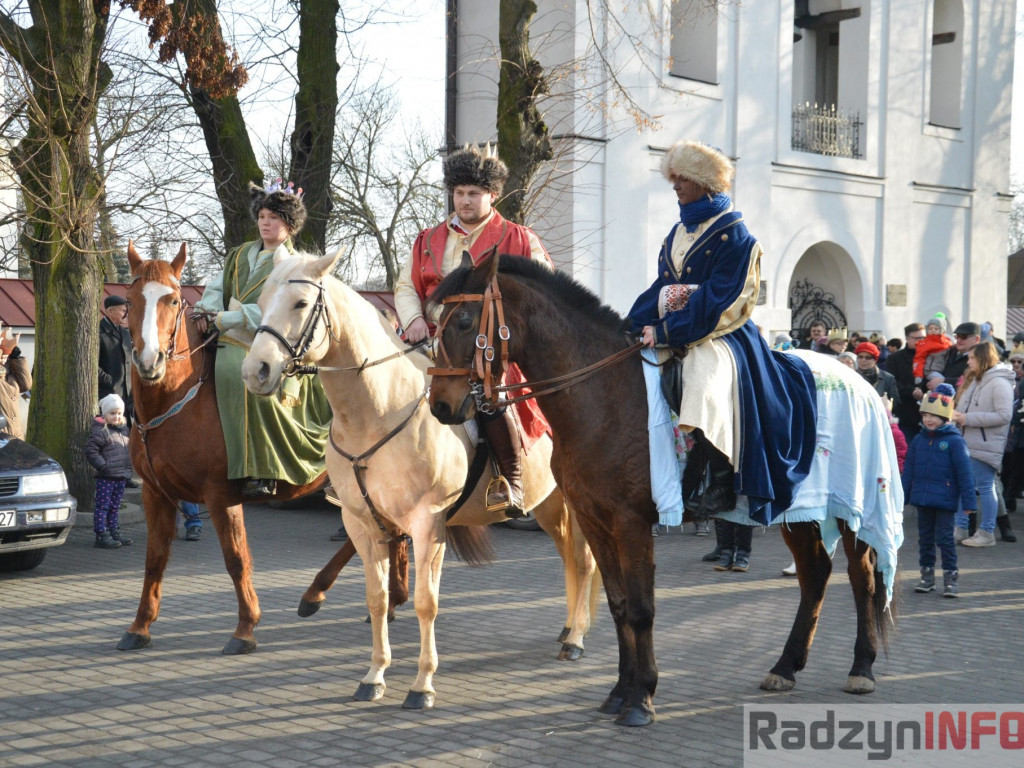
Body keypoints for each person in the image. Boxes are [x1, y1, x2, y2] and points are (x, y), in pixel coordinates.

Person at [626, 139, 817, 524]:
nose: (676, 186)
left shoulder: (736, 235)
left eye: (683, 179)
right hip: (678, 327)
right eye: (674, 179)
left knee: (702, 375)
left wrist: (666, 331)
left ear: (704, 182)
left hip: (722, 331)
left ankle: (721, 478)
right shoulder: (676, 233)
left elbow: (722, 297)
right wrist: (633, 324)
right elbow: (662, 286)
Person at [394, 145, 553, 518]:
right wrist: (414, 319)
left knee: (488, 392)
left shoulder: (519, 238)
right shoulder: (426, 240)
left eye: (474, 193)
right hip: (430, 340)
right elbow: (406, 286)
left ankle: (512, 482)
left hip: (489, 345)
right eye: (459, 192)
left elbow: (545, 288)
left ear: (492, 195)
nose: (464, 200)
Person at [194, 179, 332, 497]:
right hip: (224, 335)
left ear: (289, 224)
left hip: (271, 345)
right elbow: (217, 287)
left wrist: (230, 317)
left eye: (274, 217)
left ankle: (261, 469)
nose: (265, 223)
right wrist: (205, 310)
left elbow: (276, 313)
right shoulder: (239, 254)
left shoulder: (296, 264)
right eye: (261, 216)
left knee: (241, 375)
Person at [902, 384, 975, 597]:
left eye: (934, 415)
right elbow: (909, 470)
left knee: (945, 540)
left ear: (945, 417)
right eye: (925, 415)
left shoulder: (955, 441)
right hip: (923, 499)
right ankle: (927, 577)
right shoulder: (919, 440)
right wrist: (902, 497)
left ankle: (951, 579)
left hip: (945, 500)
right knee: (924, 539)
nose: (928, 420)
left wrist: (969, 503)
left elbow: (965, 473)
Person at [951, 342, 1014, 547]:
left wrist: (967, 418)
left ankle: (987, 532)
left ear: (982, 358)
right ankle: (961, 528)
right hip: (969, 442)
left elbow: (1004, 415)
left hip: (984, 444)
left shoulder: (998, 382)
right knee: (964, 486)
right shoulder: (979, 379)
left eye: (972, 358)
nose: (968, 362)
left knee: (986, 487)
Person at [85, 394, 134, 549]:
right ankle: (101, 533)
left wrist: (129, 468)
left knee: (115, 506)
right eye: (112, 413)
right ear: (105, 414)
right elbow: (91, 451)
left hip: (121, 475)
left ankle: (113, 530)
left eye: (119, 413)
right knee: (103, 506)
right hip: (106, 476)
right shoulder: (101, 431)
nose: (116, 417)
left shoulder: (124, 431)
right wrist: (103, 466)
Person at [886, 323, 926, 442]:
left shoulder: (931, 357)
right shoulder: (894, 358)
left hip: (927, 413)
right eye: (917, 338)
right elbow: (892, 382)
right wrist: (911, 390)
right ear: (907, 338)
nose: (921, 341)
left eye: (923, 338)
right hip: (905, 412)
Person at [98, 294, 133, 423]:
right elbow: (91, 366)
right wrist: (110, 381)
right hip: (107, 397)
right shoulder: (98, 333)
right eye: (123, 310)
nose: (126, 314)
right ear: (110, 311)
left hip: (127, 398)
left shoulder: (126, 333)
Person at [1001, 343, 1024, 519]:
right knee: (1013, 467)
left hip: (1018, 430)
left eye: (1019, 362)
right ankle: (1008, 500)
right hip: (1017, 432)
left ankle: (1010, 498)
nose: (1016, 365)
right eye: (1013, 361)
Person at [925, 321, 981, 388]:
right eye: (957, 336)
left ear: (977, 339)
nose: (959, 340)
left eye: (964, 337)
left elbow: (972, 380)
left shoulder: (980, 358)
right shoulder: (949, 351)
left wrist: (944, 381)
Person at [0, 323, 31, 439]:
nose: (4, 356)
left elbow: (25, 385)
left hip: (16, 434)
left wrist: (16, 358)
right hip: (2, 436)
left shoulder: (8, 369)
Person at [854, 341, 900, 409]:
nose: (863, 360)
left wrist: (885, 403)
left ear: (875, 360)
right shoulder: (851, 376)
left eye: (868, 357)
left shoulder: (888, 378)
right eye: (860, 357)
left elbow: (896, 402)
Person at [913, 313, 952, 383]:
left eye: (936, 329)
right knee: (943, 382)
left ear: (942, 330)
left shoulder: (946, 341)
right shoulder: (925, 343)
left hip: (943, 370)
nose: (933, 330)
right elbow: (919, 359)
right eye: (930, 328)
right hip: (930, 371)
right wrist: (918, 375)